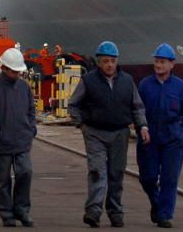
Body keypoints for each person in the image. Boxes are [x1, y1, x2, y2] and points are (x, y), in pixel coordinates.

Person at [69, 41, 149, 228]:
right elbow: (74, 104)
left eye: (112, 61)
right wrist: (81, 125)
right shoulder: (88, 81)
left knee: (116, 174)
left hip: (120, 133)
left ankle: (115, 211)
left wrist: (142, 126)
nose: (110, 65)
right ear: (99, 62)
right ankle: (94, 211)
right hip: (95, 133)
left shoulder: (127, 81)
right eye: (105, 61)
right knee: (97, 172)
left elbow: (137, 106)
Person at [137, 44, 183, 228]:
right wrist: (141, 127)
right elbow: (137, 108)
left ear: (172, 64)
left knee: (170, 179)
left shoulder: (180, 86)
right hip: (149, 137)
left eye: (162, 62)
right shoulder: (145, 85)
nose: (158, 65)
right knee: (148, 177)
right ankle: (157, 203)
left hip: (172, 137)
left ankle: (164, 215)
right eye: (156, 61)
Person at [0, 48, 36, 228]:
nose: (17, 74)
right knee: (3, 180)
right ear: (3, 68)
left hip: (22, 141)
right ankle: (6, 213)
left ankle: (22, 210)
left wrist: (30, 129)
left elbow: (31, 111)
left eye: (19, 71)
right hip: (1, 145)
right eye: (14, 71)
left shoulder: (24, 87)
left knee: (25, 173)